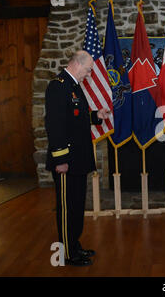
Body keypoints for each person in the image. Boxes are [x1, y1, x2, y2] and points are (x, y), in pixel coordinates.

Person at [45, 50, 110, 266]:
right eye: (89, 70)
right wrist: (60, 159)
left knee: (77, 204)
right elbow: (55, 126)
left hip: (79, 159)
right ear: (77, 64)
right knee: (66, 207)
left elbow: (76, 117)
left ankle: (74, 244)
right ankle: (66, 253)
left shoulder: (73, 86)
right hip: (66, 161)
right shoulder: (58, 86)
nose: (90, 74)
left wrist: (96, 116)